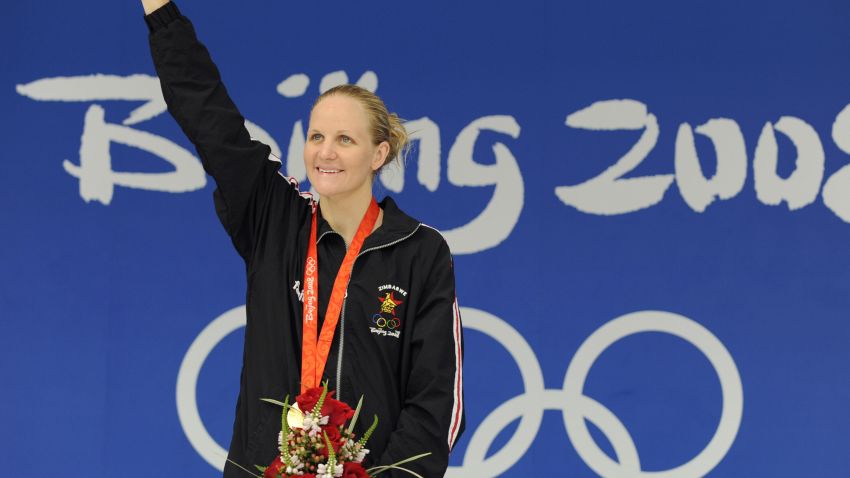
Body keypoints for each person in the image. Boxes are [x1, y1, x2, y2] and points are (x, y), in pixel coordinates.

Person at [140, 1, 465, 476]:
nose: (325, 153)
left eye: (344, 140)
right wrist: (161, 13)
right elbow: (209, 117)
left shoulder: (419, 251)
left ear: (379, 153)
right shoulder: (273, 217)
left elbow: (434, 401)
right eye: (315, 137)